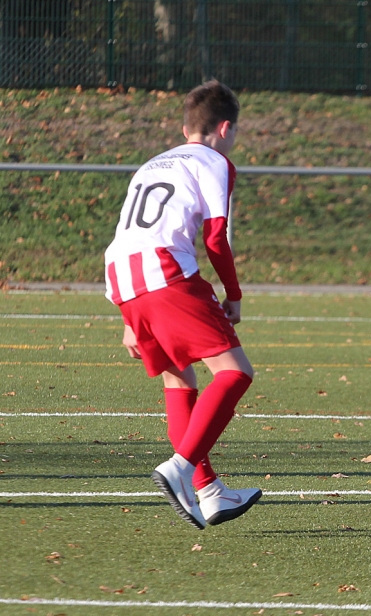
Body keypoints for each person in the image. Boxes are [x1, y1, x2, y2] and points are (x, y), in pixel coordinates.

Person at [104, 80, 260, 530]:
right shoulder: (214, 161)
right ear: (225, 128)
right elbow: (215, 237)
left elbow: (128, 234)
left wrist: (130, 317)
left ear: (184, 127)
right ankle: (180, 468)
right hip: (165, 271)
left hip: (122, 277)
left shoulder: (151, 164)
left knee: (179, 380)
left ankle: (210, 493)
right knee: (234, 373)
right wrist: (234, 294)